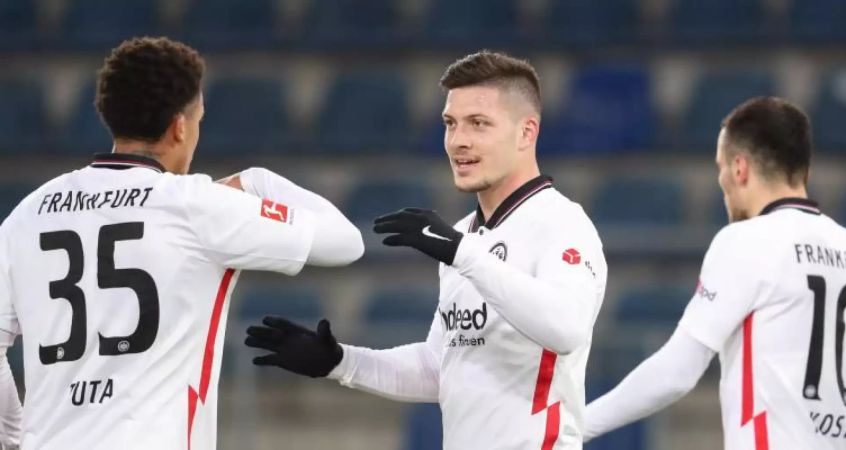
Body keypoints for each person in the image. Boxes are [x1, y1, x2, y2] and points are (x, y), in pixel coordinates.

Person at [0, 36, 363, 450]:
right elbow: (345, 242)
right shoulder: (195, 204)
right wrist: (257, 181)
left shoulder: (30, 213)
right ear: (180, 126)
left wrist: (12, 437)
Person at [244, 50, 608, 448]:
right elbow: (440, 366)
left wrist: (461, 252)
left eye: (479, 124)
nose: (458, 141)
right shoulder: (464, 234)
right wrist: (339, 361)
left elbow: (566, 329)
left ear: (526, 133)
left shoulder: (562, 224)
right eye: (450, 124)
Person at [582, 97, 846, 449]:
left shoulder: (747, 241)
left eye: (720, 167)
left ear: (739, 168)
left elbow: (677, 371)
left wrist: (576, 426)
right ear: (804, 171)